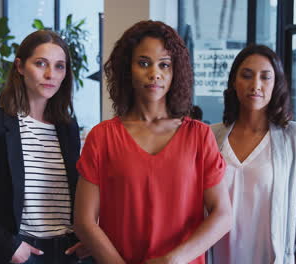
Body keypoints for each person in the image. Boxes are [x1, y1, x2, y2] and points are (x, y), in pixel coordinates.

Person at [74, 20, 232, 264]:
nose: (154, 73)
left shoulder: (199, 136)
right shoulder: (102, 137)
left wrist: (173, 260)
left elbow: (223, 215)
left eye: (164, 65)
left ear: (175, 71)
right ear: (128, 68)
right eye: (144, 63)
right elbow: (84, 222)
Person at [0, 30, 90, 264]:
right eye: (40, 63)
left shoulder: (68, 128)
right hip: (16, 252)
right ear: (19, 66)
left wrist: (87, 237)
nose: (50, 74)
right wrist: (10, 247)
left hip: (67, 252)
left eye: (60, 66)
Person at [210, 44, 296, 264]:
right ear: (234, 82)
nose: (256, 85)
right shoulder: (210, 136)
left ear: (276, 85)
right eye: (246, 75)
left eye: (265, 77)